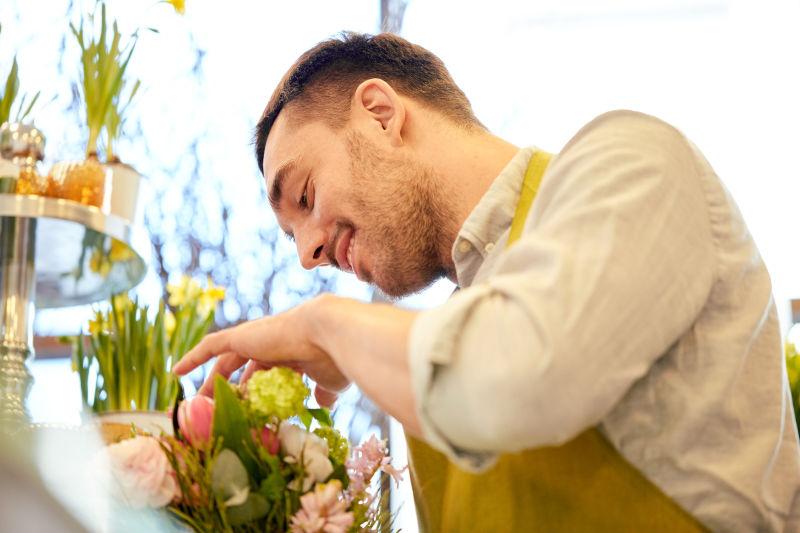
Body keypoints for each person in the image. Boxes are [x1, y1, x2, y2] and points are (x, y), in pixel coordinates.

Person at [173, 32, 800, 531]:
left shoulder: (634, 160)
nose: (308, 254)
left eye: (305, 194)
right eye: (291, 238)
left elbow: (513, 377)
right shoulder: (444, 343)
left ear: (380, 114)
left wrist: (324, 327)